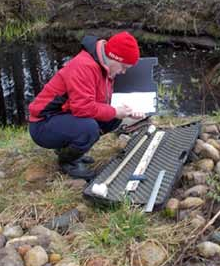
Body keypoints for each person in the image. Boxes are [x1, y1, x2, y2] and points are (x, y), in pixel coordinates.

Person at [28, 31, 144, 180]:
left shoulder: (106, 66)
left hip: (63, 116)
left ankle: (72, 150)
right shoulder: (84, 66)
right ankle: (67, 161)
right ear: (114, 57)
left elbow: (99, 104)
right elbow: (82, 108)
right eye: (123, 66)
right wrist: (115, 111)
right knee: (89, 127)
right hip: (43, 124)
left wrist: (124, 112)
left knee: (112, 119)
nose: (123, 72)